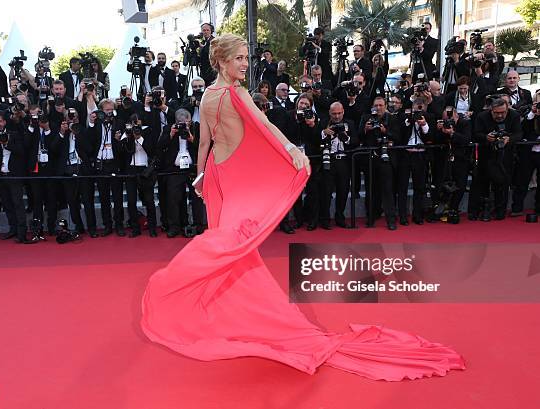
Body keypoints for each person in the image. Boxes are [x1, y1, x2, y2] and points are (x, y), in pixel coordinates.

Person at [140, 33, 465, 381]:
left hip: (219, 175)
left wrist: (202, 176)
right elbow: (262, 125)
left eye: (247, 58)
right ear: (221, 61)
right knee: (231, 246)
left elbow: (206, 141)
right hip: (230, 178)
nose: (246, 65)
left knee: (232, 246)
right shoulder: (236, 93)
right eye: (239, 59)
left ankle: (211, 303)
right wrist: (292, 150)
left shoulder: (207, 95)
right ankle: (186, 289)